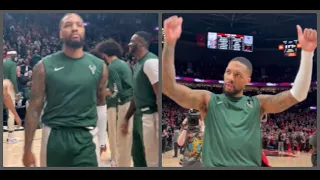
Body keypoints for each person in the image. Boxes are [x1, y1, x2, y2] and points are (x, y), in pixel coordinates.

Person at [162, 15, 317, 167]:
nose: (230, 78)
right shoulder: (208, 100)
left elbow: (297, 95)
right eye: (228, 72)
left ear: (248, 81)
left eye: (237, 75)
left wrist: (308, 54)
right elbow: (169, 88)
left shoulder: (258, 104)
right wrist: (169, 44)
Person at [22, 13, 108, 167]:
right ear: (60, 33)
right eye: (68, 25)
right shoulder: (43, 66)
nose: (74, 28)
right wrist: (27, 149)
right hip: (54, 136)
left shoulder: (99, 66)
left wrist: (102, 141)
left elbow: (101, 103)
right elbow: (34, 108)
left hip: (87, 137)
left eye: (79, 25)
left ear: (84, 31)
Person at [122, 31, 159, 167]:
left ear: (141, 43)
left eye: (132, 41)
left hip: (150, 116)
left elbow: (159, 93)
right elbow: (136, 95)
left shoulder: (151, 61)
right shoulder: (137, 65)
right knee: (137, 157)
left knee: (151, 161)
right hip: (138, 116)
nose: (129, 44)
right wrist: (126, 118)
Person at [95, 39, 134, 167]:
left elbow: (116, 90)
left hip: (118, 105)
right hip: (128, 103)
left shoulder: (112, 66)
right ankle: (121, 161)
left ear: (105, 53)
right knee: (124, 137)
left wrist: (103, 93)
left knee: (114, 134)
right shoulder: (124, 64)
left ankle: (116, 161)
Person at [3, 50, 21, 143]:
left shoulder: (3, 61)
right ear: (12, 55)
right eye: (15, 55)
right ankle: (10, 137)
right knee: (11, 112)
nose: (16, 56)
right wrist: (17, 92)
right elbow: (13, 79)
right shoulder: (12, 64)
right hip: (8, 87)